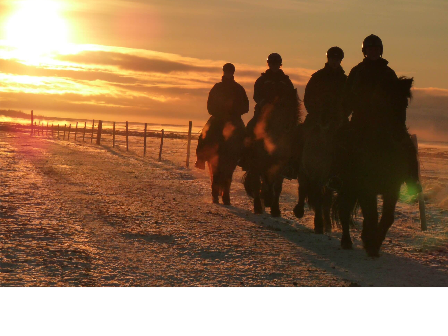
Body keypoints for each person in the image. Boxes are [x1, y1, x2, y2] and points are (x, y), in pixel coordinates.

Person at [339, 34, 422, 194]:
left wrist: (397, 121)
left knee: (407, 146)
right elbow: (347, 96)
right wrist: (344, 115)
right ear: (365, 51)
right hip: (361, 120)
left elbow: (397, 98)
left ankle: (412, 181)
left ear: (381, 51)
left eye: (376, 49)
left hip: (385, 121)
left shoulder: (388, 72)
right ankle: (336, 177)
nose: (373, 52)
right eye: (370, 49)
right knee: (342, 144)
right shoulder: (356, 72)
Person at [239, 53, 295, 171]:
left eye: (276, 63)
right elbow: (256, 95)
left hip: (281, 115)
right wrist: (264, 103)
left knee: (294, 134)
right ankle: (245, 158)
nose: (274, 66)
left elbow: (292, 97)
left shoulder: (286, 81)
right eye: (272, 63)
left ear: (280, 65)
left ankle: (291, 163)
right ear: (268, 64)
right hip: (262, 114)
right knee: (250, 128)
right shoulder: (262, 80)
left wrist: (284, 105)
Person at [195, 63, 249, 169]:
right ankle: (200, 159)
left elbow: (245, 106)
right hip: (218, 117)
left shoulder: (238, 88)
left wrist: (234, 113)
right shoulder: (217, 87)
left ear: (233, 73)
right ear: (224, 72)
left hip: (234, 118)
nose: (228, 74)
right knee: (204, 133)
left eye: (230, 72)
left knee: (244, 134)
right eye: (227, 71)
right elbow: (210, 105)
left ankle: (245, 159)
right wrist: (218, 113)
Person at [303, 46, 348, 126]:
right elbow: (308, 97)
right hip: (318, 119)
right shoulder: (317, 77)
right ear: (328, 59)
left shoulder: (344, 80)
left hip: (339, 120)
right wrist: (316, 114)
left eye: (337, 60)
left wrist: (342, 115)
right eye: (332, 59)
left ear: (340, 61)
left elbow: (350, 99)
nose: (335, 62)